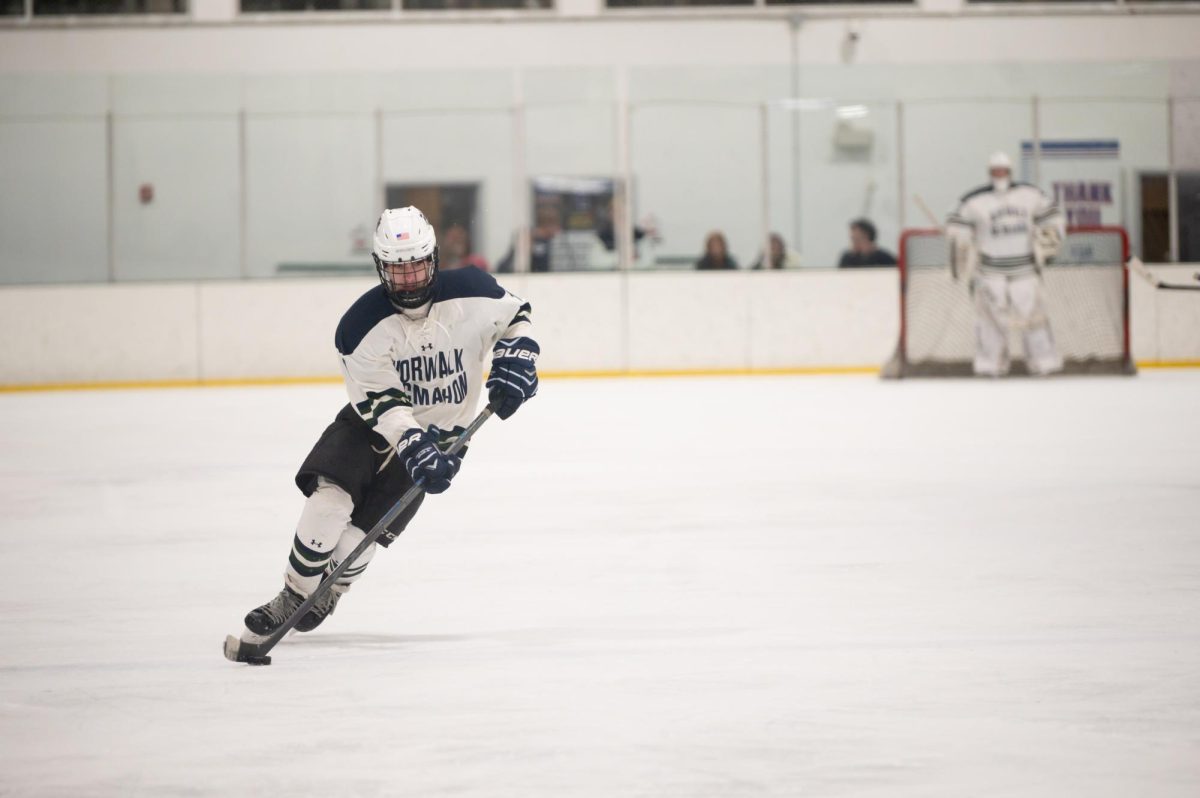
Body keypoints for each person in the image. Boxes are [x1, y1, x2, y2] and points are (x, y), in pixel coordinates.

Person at [242, 206, 539, 637]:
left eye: (418, 266)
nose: (410, 280)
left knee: (362, 534)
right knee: (329, 503)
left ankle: (330, 591)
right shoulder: (360, 327)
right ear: (381, 268)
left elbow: (516, 317)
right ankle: (293, 593)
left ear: (433, 259)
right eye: (398, 271)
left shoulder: (473, 292)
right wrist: (410, 440)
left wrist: (519, 356)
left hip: (442, 437)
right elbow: (381, 404)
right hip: (373, 423)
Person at [945, 151, 1065, 377]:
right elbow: (955, 224)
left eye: (1003, 171)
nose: (999, 174)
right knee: (989, 320)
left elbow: (1053, 218)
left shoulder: (1030, 195)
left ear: (1010, 172)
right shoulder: (973, 200)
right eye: (995, 171)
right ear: (989, 173)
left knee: (1034, 317)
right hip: (990, 270)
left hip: (1025, 269)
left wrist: (1049, 241)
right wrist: (961, 241)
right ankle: (990, 365)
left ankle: (1044, 362)